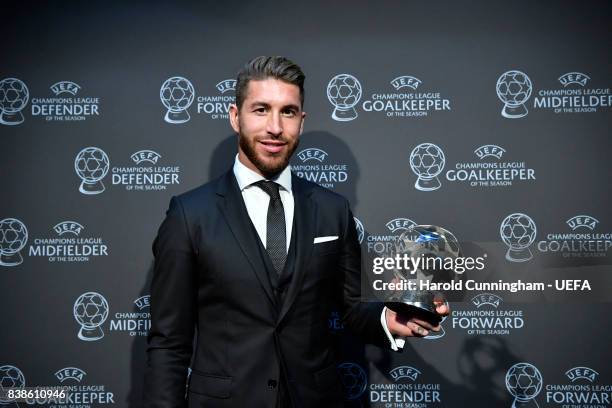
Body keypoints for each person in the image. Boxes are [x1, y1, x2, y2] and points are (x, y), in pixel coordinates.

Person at [144, 56, 449, 408]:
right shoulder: (189, 214)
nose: (275, 127)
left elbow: (351, 307)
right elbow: (168, 342)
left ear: (301, 122)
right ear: (235, 116)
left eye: (288, 112)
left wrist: (389, 318)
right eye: (261, 110)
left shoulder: (332, 209)